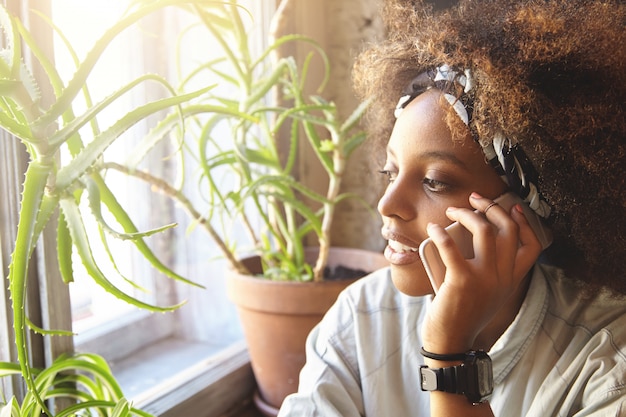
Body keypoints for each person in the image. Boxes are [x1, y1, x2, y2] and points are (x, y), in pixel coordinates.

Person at [277, 0, 626, 416]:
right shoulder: (360, 320)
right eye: (390, 172)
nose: (388, 205)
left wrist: (450, 354)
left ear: (528, 213)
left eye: (435, 182)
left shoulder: (608, 359)